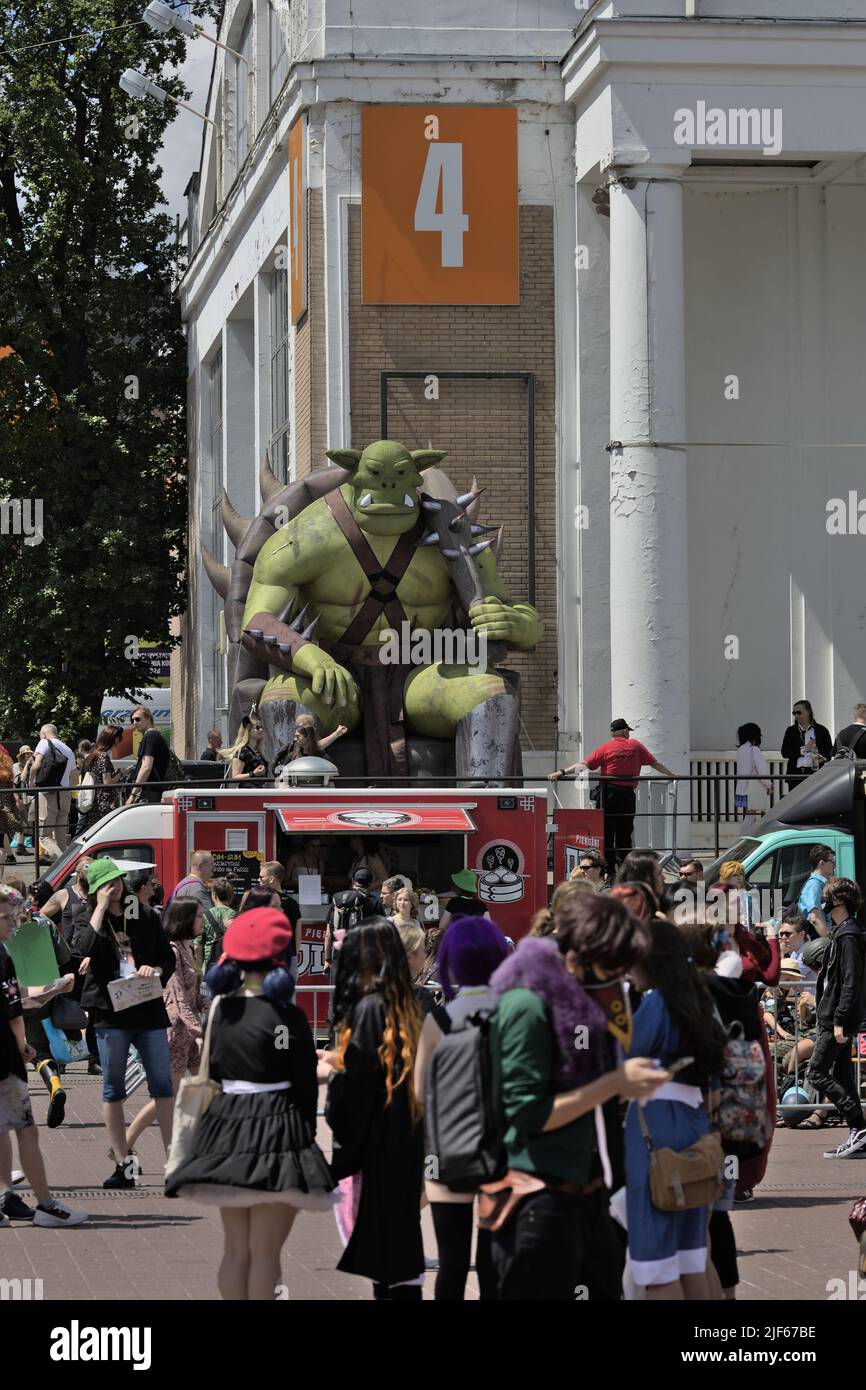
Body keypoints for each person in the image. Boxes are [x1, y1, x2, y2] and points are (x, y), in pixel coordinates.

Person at [485, 893, 668, 1301]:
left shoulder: (582, 1004)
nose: (619, 976)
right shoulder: (527, 1005)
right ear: (579, 956)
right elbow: (529, 1113)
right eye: (612, 964)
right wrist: (616, 1083)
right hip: (537, 1201)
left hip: (586, 1195)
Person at [165, 908, 336, 1299]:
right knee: (266, 1254)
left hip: (227, 1127)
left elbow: (215, 1072)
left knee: (236, 1251)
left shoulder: (221, 1011)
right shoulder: (289, 1015)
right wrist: (305, 1135)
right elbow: (304, 1083)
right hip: (279, 1127)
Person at [321, 917, 425, 1299]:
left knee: (386, 1262)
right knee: (401, 1254)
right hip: (406, 1140)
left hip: (378, 1147)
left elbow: (358, 1089)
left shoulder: (369, 1009)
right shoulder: (406, 1004)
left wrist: (337, 1074)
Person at [625, 918, 727, 1300]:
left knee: (656, 1268)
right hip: (694, 1123)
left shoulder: (656, 1004)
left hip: (655, 1128)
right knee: (692, 1259)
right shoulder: (697, 998)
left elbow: (623, 1063)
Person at [414, 916, 510, 1300]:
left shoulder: (437, 1021)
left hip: (446, 1149)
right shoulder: (513, 1014)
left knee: (452, 1264)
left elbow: (419, 1092)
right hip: (501, 1149)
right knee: (493, 1260)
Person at [675, 910, 770, 1300]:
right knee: (719, 1216)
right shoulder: (739, 993)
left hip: (698, 1117)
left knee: (694, 1221)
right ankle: (727, 1294)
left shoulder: (694, 995)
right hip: (733, 1120)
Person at [76, 858, 176, 1188]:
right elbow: (83, 950)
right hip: (110, 1013)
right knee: (113, 1089)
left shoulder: (143, 915)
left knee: (162, 1085)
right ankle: (124, 1166)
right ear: (94, 889)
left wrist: (156, 970)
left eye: (117, 880)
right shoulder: (90, 918)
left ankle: (174, 1163)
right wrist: (100, 908)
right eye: (106, 883)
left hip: (146, 1009)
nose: (114, 886)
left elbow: (166, 957)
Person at [0, 887, 88, 1228]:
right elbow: (17, 1007)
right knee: (24, 1128)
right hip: (4, 1055)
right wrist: (58, 986)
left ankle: (6, 1196)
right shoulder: (2, 958)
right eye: (6, 917)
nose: (13, 924)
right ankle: (46, 1204)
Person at [550, 719, 680, 876]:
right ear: (625, 731)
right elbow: (655, 764)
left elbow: (583, 765)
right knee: (625, 835)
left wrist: (562, 772)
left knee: (606, 835)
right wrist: (672, 775)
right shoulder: (636, 746)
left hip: (608, 795)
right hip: (627, 795)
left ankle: (610, 873)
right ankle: (626, 872)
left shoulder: (606, 747)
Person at [126, 900, 203, 1155]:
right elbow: (178, 995)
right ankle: (123, 1144)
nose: (203, 920)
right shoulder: (173, 950)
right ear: (186, 920)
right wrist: (198, 1031)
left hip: (187, 1034)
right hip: (176, 1031)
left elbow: (194, 994)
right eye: (199, 916)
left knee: (205, 1085)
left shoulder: (187, 948)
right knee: (167, 1095)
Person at [3, 884, 77, 1128]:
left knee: (24, 1050)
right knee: (39, 1049)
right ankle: (54, 1085)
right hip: (44, 992)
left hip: (14, 995)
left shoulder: (6, 926)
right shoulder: (43, 922)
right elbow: (64, 956)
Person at [807, 877, 866, 1159]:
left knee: (816, 1073)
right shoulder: (842, 932)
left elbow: (850, 981)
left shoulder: (849, 935)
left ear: (839, 901)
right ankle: (859, 1134)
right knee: (842, 1076)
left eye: (828, 896)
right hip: (831, 1016)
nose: (824, 900)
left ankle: (858, 1122)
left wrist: (840, 1018)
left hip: (836, 1019)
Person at [29, 723, 76, 859]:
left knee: (44, 836)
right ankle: (63, 874)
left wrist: (31, 783)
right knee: (61, 837)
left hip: (48, 793)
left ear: (43, 734)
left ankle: (64, 864)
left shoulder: (44, 743)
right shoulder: (68, 749)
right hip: (65, 794)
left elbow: (36, 765)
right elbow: (74, 777)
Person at [78, 726, 124, 832]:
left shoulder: (95, 755)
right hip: (104, 803)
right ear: (113, 739)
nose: (119, 741)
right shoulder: (103, 756)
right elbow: (107, 782)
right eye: (118, 738)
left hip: (96, 804)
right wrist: (120, 773)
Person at [781, 700, 832, 791]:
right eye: (794, 713)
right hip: (795, 775)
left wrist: (823, 758)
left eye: (799, 712)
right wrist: (804, 749)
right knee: (795, 803)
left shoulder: (821, 730)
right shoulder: (791, 731)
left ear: (808, 712)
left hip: (816, 775)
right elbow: (785, 752)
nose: (796, 715)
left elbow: (829, 751)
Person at [126, 707, 170, 805]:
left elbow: (146, 767)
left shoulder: (150, 736)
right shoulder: (155, 735)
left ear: (148, 718)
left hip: (149, 793)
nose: (134, 722)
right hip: (153, 792)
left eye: (137, 719)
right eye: (132, 720)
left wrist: (132, 795)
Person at [274, 714, 348, 772]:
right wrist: (337, 733)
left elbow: (316, 747)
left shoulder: (324, 758)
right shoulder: (293, 753)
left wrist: (337, 733)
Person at [735, 723, 772, 831]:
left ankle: (744, 838)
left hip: (742, 787)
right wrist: (768, 785)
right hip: (753, 788)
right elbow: (761, 770)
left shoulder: (741, 749)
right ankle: (743, 839)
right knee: (750, 817)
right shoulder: (754, 749)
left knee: (749, 816)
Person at [797, 844, 837, 939]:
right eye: (832, 861)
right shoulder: (814, 885)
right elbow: (815, 918)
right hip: (816, 938)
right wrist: (830, 941)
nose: (834, 865)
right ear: (822, 863)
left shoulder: (821, 884)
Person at [221, 715, 269, 783]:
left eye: (261, 727)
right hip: (248, 791)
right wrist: (253, 773)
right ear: (248, 731)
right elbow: (235, 777)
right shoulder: (242, 751)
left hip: (260, 791)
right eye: (257, 728)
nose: (261, 730)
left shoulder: (257, 751)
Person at [204, 879, 237, 972]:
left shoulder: (205, 915)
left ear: (214, 894)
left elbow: (197, 946)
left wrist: (198, 968)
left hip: (209, 965)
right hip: (230, 964)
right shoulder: (235, 915)